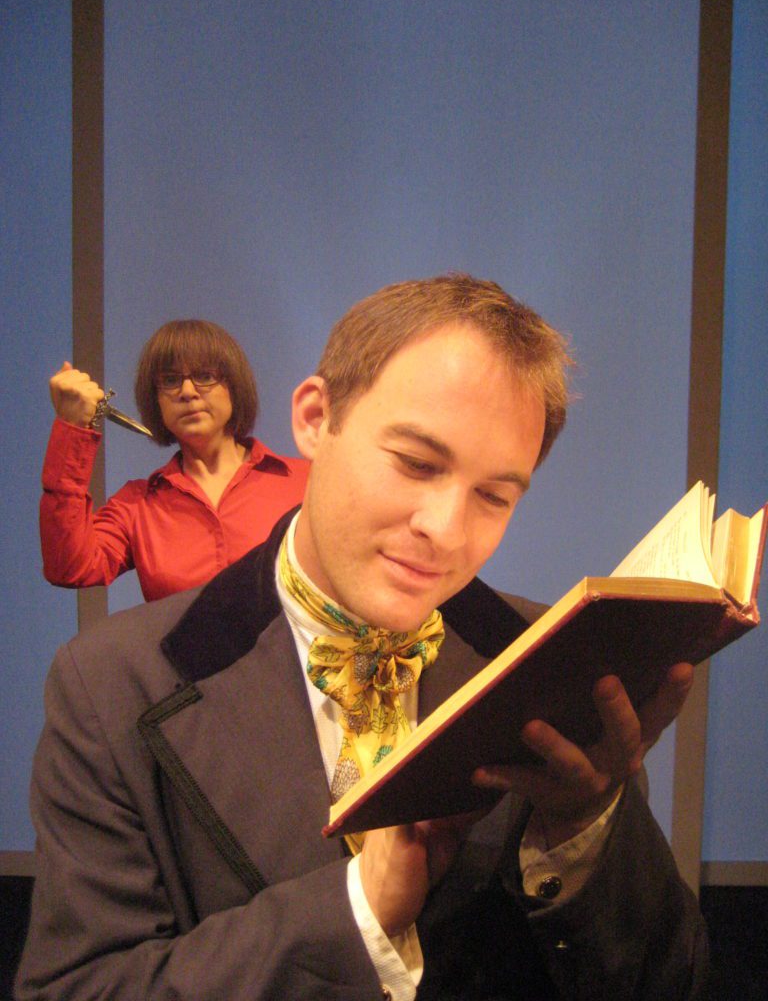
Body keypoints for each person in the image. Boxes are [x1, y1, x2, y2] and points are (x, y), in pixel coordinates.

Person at [17, 275, 708, 1000]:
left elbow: (673, 981)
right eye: (415, 463)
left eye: (494, 497)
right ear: (316, 417)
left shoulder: (549, 656)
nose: (445, 531)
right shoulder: (109, 685)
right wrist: (356, 914)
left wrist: (585, 831)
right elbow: (76, 987)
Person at [40, 319, 309, 600]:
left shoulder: (305, 482)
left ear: (234, 386)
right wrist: (72, 429)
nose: (188, 392)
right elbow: (68, 567)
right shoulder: (137, 507)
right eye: (170, 381)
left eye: (205, 376)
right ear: (155, 401)